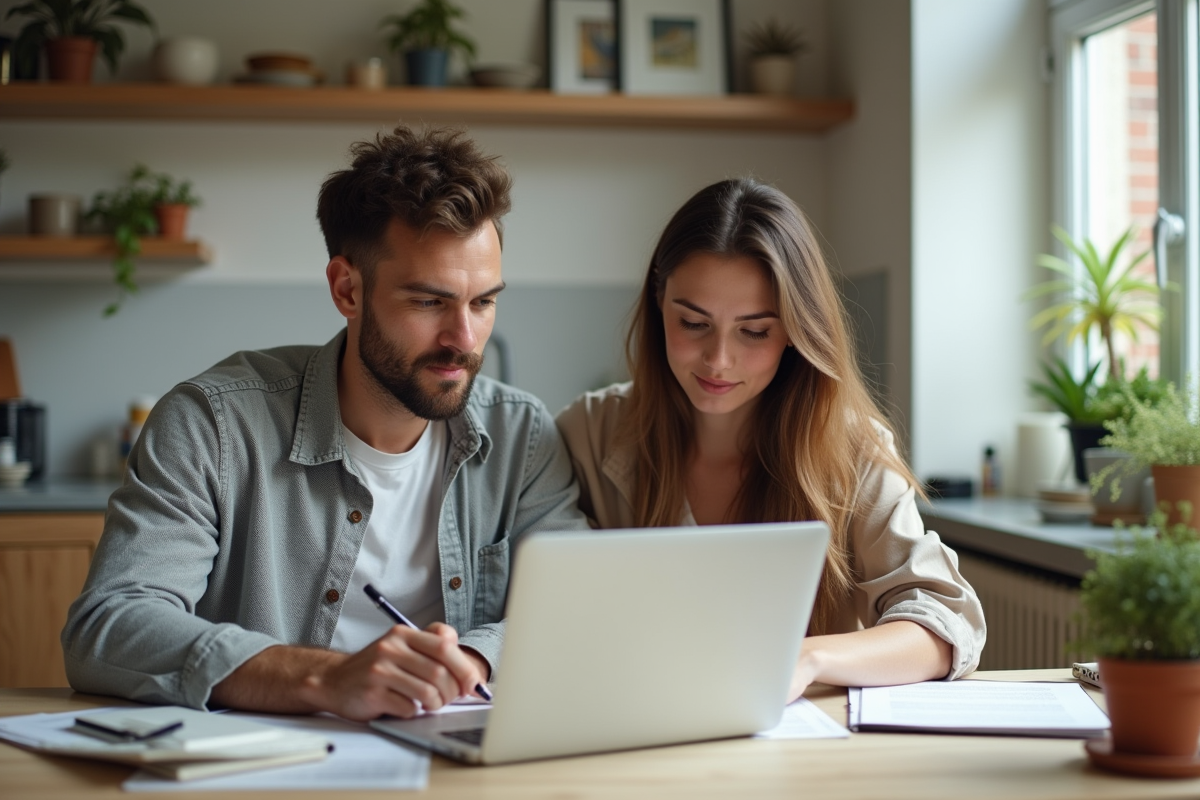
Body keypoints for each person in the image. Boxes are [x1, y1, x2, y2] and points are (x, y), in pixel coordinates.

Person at [62, 126, 588, 720]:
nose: (463, 340)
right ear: (347, 289)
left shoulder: (523, 435)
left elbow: (583, 612)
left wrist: (471, 659)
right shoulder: (213, 424)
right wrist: (325, 679)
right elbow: (108, 626)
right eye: (428, 302)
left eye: (483, 302)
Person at [556, 178, 986, 700]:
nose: (718, 360)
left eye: (755, 331)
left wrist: (807, 657)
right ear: (658, 303)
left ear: (796, 331)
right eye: (693, 323)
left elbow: (944, 626)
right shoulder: (589, 431)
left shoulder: (854, 450)